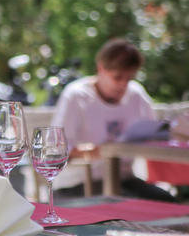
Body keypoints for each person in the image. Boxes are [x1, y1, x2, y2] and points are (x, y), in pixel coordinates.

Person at [53, 38, 173, 200]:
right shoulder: (76, 96)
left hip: (124, 180)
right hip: (80, 183)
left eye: (129, 79)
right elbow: (56, 150)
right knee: (129, 205)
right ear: (101, 69)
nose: (123, 85)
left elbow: (156, 135)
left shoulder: (136, 94)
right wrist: (101, 151)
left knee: (166, 201)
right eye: (117, 77)